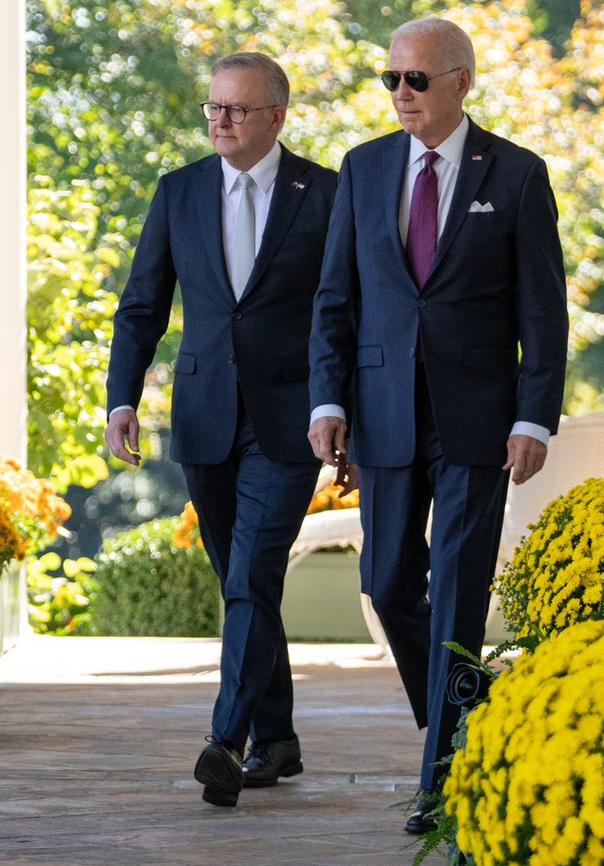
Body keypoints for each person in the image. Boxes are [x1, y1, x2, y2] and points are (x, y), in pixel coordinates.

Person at [308, 18, 568, 833]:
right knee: (386, 582)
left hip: (479, 422)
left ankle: (445, 777)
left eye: (416, 80)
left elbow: (544, 313)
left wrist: (534, 415)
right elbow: (335, 300)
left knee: (457, 591)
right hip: (382, 416)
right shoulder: (363, 168)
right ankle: (467, 712)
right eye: (390, 79)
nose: (400, 94)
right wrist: (328, 400)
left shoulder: (519, 176)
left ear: (462, 81)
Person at [105, 52, 337, 809]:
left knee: (250, 578)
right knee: (243, 587)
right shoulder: (178, 192)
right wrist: (122, 396)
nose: (220, 120)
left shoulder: (327, 195)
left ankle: (225, 742)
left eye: (236, 109)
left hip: (292, 421)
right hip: (203, 418)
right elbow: (142, 304)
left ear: (276, 115)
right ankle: (279, 738)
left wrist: (350, 421)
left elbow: (350, 315)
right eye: (213, 108)